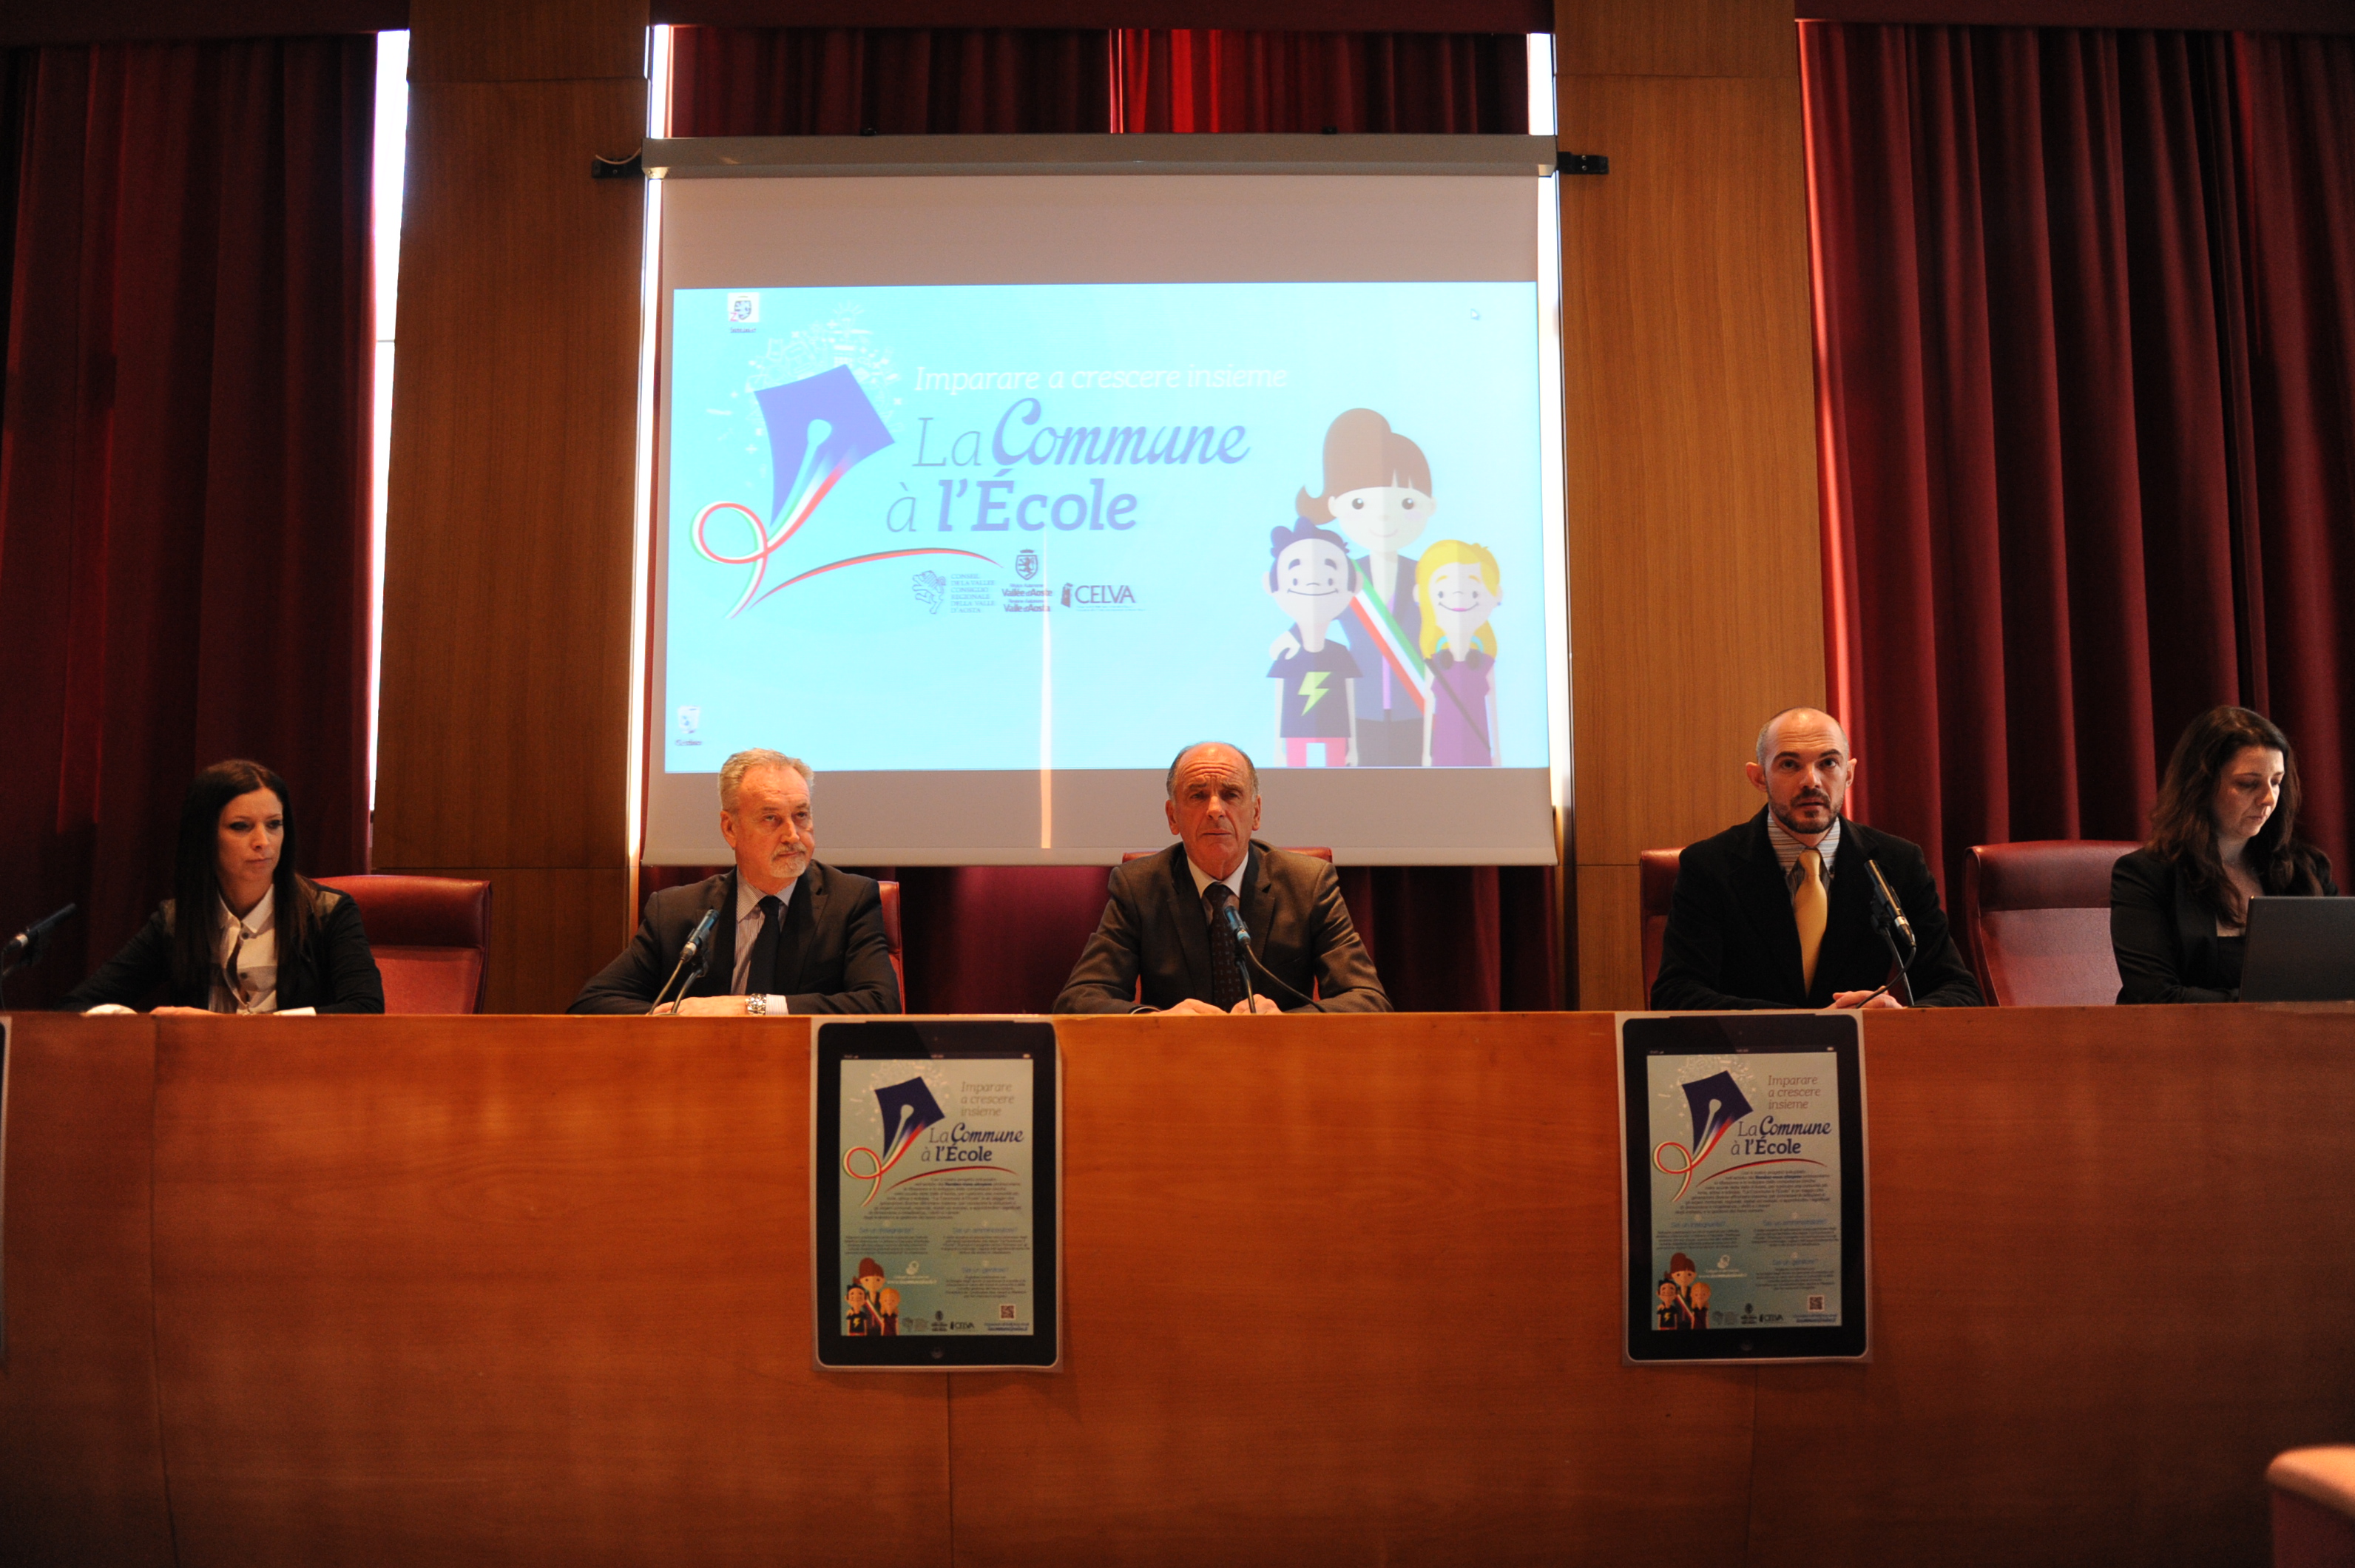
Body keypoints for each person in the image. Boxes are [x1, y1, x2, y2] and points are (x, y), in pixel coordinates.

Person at [1651, 708, 1980, 1010]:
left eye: (1828, 763)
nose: (1811, 781)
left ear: (1849, 773)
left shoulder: (1898, 862)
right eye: (1789, 765)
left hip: (1863, 1051)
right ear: (1759, 777)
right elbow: (1676, 994)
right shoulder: (1708, 866)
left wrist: (1899, 1018)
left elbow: (1959, 989)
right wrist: (1811, 1026)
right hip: (1753, 1052)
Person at [1053, 741, 1390, 1014]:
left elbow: (1368, 1000)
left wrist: (1286, 1022)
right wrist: (1156, 1020)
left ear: (1255, 813)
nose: (1215, 809)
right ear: (1173, 817)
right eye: (1198, 796)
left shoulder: (1308, 883)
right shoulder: (1139, 887)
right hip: (1178, 1064)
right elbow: (1079, 1000)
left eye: (1231, 794)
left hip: (1280, 1064)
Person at [570, 748, 899, 1016]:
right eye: (771, 818)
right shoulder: (675, 911)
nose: (793, 835)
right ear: (730, 829)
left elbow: (880, 1004)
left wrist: (749, 1007)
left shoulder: (849, 900)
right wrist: (678, 1018)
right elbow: (593, 1003)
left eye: (801, 815)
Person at [64, 759, 385, 1015]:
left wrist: (236, 1028)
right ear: (205, 836)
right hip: (203, 1074)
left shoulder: (329, 913)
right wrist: (135, 1023)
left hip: (297, 1070)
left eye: (274, 824)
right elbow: (77, 1005)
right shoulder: (177, 921)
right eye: (241, 827)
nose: (263, 842)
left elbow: (365, 1009)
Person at [2111, 706, 2337, 1003]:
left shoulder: (2306, 870)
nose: (2268, 798)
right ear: (2201, 786)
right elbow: (2156, 998)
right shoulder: (2146, 875)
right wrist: (2272, 1004)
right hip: (2189, 1033)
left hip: (2294, 1031)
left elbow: (2338, 979)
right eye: (2248, 784)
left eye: (2276, 782)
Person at [1290, 409, 1436, 767]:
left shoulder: (1429, 574)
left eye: (1406, 503)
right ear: (1334, 505)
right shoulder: (1341, 575)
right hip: (1359, 700)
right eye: (1360, 503)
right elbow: (1316, 615)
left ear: (1430, 506)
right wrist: (1292, 639)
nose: (1383, 516)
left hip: (1416, 702)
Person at [1264, 518, 1361, 768]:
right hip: (1294, 733)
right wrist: (1277, 748)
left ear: (1354, 585)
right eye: (1296, 581)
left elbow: (1349, 701)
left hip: (1337, 733)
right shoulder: (1287, 653)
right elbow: (1280, 701)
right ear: (1270, 585)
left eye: (1330, 581)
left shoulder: (1340, 653)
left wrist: (1353, 747)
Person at [1415, 538, 1503, 768]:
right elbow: (1428, 710)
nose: (1458, 599)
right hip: (1444, 747)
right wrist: (1426, 756)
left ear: (1497, 595)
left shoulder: (1485, 662)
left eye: (1474, 593)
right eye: (1442, 593)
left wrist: (1498, 755)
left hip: (1479, 746)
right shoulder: (1435, 662)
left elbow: (1493, 711)